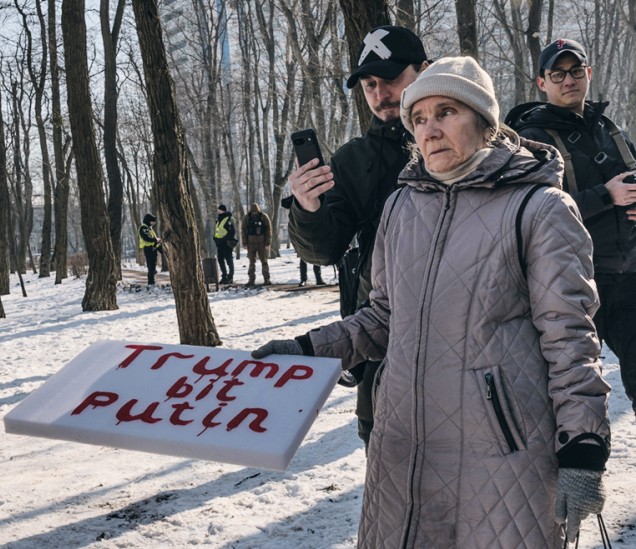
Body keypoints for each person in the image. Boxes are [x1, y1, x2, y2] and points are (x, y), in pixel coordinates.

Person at [256, 57, 610, 547]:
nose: (430, 129)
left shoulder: (539, 207)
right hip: (401, 445)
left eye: (446, 112)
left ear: (485, 123)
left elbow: (570, 340)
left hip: (502, 453)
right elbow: (382, 318)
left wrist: (583, 448)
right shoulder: (402, 206)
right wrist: (308, 349)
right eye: (419, 119)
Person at [283, 25, 428, 447]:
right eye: (370, 85)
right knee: (388, 468)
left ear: (425, 70)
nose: (381, 94)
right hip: (380, 341)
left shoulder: (464, 141)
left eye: (392, 79)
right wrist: (308, 209)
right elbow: (322, 249)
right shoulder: (352, 159)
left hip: (465, 341)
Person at [506, 38, 636, 415]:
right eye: (558, 73)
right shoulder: (531, 140)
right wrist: (605, 196)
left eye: (576, 71)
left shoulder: (611, 130)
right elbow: (528, 214)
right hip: (567, 284)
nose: (569, 80)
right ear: (541, 82)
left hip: (627, 274)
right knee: (569, 394)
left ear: (588, 74)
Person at [242, 203, 272, 285]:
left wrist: (267, 242)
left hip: (262, 242)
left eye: (255, 211)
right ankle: (251, 279)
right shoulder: (247, 218)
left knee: (264, 261)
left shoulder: (263, 217)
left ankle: (267, 279)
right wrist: (244, 242)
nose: (254, 213)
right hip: (251, 243)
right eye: (253, 212)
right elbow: (243, 230)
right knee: (252, 262)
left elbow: (268, 230)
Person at [213, 204, 236, 284]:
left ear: (223, 210)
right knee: (220, 260)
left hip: (227, 243)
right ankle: (224, 276)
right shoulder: (218, 219)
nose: (218, 211)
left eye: (219, 210)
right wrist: (215, 239)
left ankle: (230, 277)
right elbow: (217, 231)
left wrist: (224, 239)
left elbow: (231, 232)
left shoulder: (228, 219)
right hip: (220, 243)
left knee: (229, 260)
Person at [138, 213, 161, 287]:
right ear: (148, 221)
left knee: (153, 265)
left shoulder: (149, 228)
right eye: (152, 221)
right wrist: (155, 240)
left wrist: (157, 242)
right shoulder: (143, 228)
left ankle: (152, 281)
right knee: (151, 266)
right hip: (148, 249)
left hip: (153, 247)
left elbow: (152, 238)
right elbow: (146, 238)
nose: (154, 223)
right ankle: (150, 283)